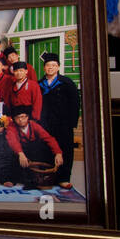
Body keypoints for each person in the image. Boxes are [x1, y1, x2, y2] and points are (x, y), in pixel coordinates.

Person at [38, 53, 80, 188]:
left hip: (63, 123)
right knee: (46, 149)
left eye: (53, 65)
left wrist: (72, 122)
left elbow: (75, 103)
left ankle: (64, 178)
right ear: (44, 68)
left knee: (65, 149)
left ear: (58, 67)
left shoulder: (66, 83)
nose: (50, 68)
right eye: (48, 66)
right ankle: (49, 177)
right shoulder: (40, 84)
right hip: (45, 123)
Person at [4, 107, 63, 188]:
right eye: (18, 117)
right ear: (14, 119)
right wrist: (20, 154)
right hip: (18, 152)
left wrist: (58, 153)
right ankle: (10, 179)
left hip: (32, 152)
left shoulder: (33, 125)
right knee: (10, 158)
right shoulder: (12, 127)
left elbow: (48, 138)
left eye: (23, 117)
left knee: (45, 152)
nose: (21, 120)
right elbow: (13, 141)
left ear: (28, 117)